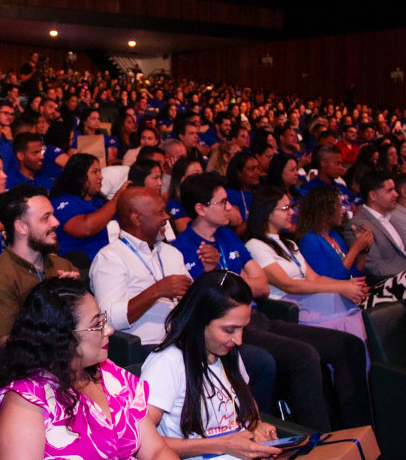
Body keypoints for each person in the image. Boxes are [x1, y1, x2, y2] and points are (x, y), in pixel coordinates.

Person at [174, 172, 371, 431]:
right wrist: (231, 278)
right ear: (200, 208)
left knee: (350, 345)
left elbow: (262, 286)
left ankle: (358, 434)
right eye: (223, 203)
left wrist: (224, 277)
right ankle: (321, 445)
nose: (231, 208)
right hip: (231, 329)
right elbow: (207, 303)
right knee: (304, 356)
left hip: (259, 318)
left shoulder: (228, 237)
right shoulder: (182, 247)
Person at [0, 278, 177, 460]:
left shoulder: (110, 375)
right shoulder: (26, 404)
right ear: (62, 338)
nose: (109, 330)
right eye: (97, 324)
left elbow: (155, 451)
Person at [140, 271, 283, 460]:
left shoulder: (228, 354)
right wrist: (222, 445)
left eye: (243, 328)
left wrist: (258, 427)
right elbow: (140, 440)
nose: (238, 340)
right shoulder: (168, 362)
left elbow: (248, 410)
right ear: (199, 321)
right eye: (229, 330)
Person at [245, 186, 368, 340]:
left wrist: (349, 286)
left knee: (361, 319)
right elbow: (288, 284)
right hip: (288, 310)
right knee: (351, 327)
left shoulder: (290, 244)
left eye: (291, 207)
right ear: (268, 213)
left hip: (308, 302)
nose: (292, 212)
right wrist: (342, 287)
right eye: (285, 208)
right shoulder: (255, 245)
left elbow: (315, 278)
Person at [0, 185, 79, 347]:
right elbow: (10, 346)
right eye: (46, 217)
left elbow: (88, 324)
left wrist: (77, 297)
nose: (56, 222)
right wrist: (55, 303)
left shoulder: (62, 265)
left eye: (53, 215)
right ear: (21, 227)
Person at [296, 184, 406, 307]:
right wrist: (356, 248)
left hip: (356, 292)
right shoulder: (310, 241)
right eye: (338, 207)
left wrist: (363, 250)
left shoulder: (334, 235)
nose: (343, 211)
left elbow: (355, 273)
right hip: (338, 300)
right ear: (325, 211)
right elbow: (330, 281)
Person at [90, 187, 192, 346]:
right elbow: (108, 318)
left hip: (182, 343)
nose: (167, 217)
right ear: (136, 218)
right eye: (161, 212)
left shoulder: (172, 253)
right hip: (142, 353)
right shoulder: (110, 258)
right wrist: (157, 291)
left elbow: (193, 300)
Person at [345, 170, 406, 294]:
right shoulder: (359, 224)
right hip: (391, 288)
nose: (396, 194)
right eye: (390, 191)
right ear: (373, 196)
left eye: (394, 189)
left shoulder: (392, 218)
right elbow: (375, 268)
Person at [50, 153, 128, 263]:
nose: (101, 177)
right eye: (94, 172)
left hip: (110, 261)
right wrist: (116, 199)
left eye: (100, 172)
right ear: (79, 177)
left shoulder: (98, 202)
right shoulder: (62, 201)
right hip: (80, 268)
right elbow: (84, 229)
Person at [165, 156, 203, 234]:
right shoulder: (174, 203)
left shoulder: (203, 199)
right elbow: (186, 231)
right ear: (182, 179)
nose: (202, 178)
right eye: (196, 174)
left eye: (202, 174)